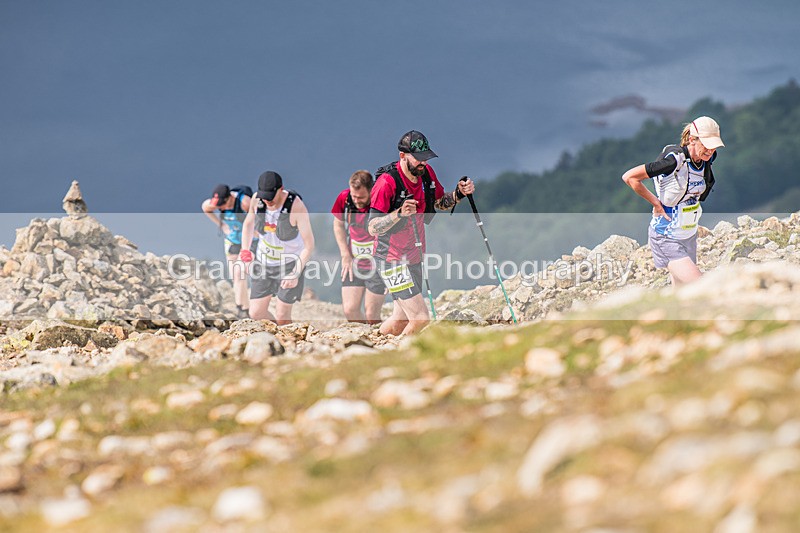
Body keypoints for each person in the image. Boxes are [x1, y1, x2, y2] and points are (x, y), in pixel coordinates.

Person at [368, 130, 474, 336]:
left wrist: (459, 193)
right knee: (420, 318)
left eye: (426, 158)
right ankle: (403, 354)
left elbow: (439, 203)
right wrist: (399, 214)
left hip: (414, 256)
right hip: (390, 258)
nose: (423, 163)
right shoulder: (387, 183)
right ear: (403, 156)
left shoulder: (427, 175)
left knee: (401, 320)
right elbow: (372, 227)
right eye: (418, 159)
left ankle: (374, 345)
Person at [622, 116, 724, 285]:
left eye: (714, 146)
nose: (710, 150)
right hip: (666, 236)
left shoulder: (708, 159)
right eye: (706, 145)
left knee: (682, 294)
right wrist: (655, 203)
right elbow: (630, 177)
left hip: (688, 236)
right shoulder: (674, 161)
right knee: (702, 286)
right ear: (692, 139)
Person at [239, 171, 315, 324]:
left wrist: (295, 273)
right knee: (256, 313)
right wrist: (245, 252)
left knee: (282, 315)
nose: (267, 200)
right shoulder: (257, 200)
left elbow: (309, 245)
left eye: (270, 196)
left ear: (281, 189)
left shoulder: (296, 206)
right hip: (264, 262)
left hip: (290, 264)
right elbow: (248, 224)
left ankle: (291, 342)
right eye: (264, 196)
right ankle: (277, 337)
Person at [331, 170, 386, 324]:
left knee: (371, 315)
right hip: (354, 263)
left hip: (378, 265)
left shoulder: (380, 201)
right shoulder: (345, 198)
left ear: (371, 191)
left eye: (361, 197)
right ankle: (364, 339)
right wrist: (345, 255)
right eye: (354, 196)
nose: (356, 200)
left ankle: (380, 343)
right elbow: (338, 224)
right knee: (350, 310)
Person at [201, 184, 252, 317]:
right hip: (232, 240)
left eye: (222, 205)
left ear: (229, 198)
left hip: (248, 241)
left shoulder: (244, 202)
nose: (220, 208)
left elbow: (259, 217)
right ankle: (241, 306)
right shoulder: (216, 204)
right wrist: (221, 224)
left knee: (240, 272)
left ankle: (243, 309)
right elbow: (205, 207)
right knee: (235, 276)